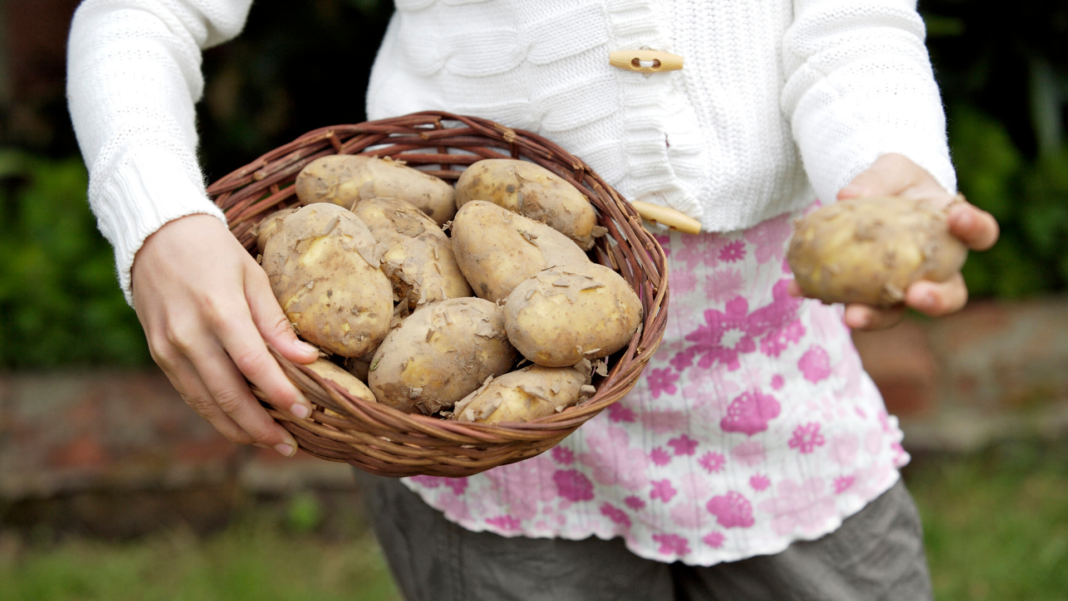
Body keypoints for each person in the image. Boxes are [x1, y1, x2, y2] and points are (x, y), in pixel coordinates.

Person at [67, 1, 999, 599]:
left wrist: (893, 164)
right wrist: (158, 222)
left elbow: (850, 26)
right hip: (474, 362)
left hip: (762, 356)